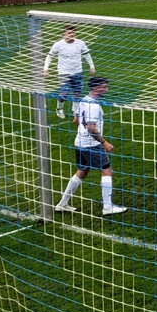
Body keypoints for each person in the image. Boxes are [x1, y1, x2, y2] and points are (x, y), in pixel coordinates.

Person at [54, 76, 127, 215]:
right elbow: (91, 128)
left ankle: (62, 203)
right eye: (104, 87)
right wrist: (104, 143)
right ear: (96, 87)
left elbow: (76, 120)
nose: (106, 89)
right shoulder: (94, 106)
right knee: (107, 170)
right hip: (91, 144)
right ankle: (107, 207)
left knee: (82, 172)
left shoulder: (83, 100)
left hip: (79, 142)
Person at [43, 26, 96, 120]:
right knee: (64, 92)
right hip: (64, 72)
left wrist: (92, 66)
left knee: (77, 93)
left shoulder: (80, 43)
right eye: (69, 33)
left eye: (73, 33)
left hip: (77, 72)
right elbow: (49, 56)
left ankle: (75, 111)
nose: (71, 34)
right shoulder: (58, 44)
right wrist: (46, 68)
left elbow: (87, 55)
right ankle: (59, 108)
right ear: (64, 34)